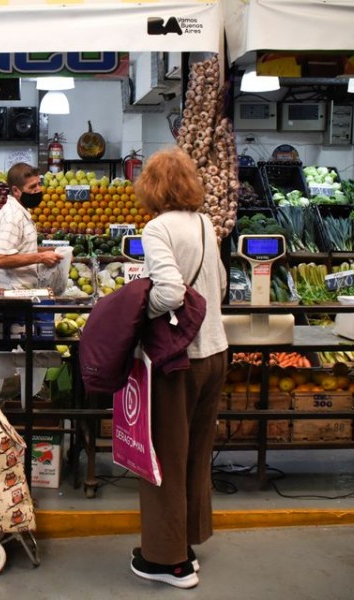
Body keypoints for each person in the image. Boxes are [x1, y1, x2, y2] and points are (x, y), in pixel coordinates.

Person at [129, 147, 228, 589]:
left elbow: (168, 293)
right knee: (195, 452)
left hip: (178, 360)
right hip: (214, 352)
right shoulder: (205, 223)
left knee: (164, 455)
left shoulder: (157, 228)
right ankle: (186, 541)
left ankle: (168, 562)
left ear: (150, 187)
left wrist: (137, 307)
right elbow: (221, 283)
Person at [0, 162, 61, 290]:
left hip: (21, 293)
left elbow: (21, 249)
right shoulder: (12, 217)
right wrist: (41, 257)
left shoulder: (21, 211)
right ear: (16, 191)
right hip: (12, 297)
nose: (38, 189)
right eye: (32, 186)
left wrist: (54, 251)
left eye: (39, 184)